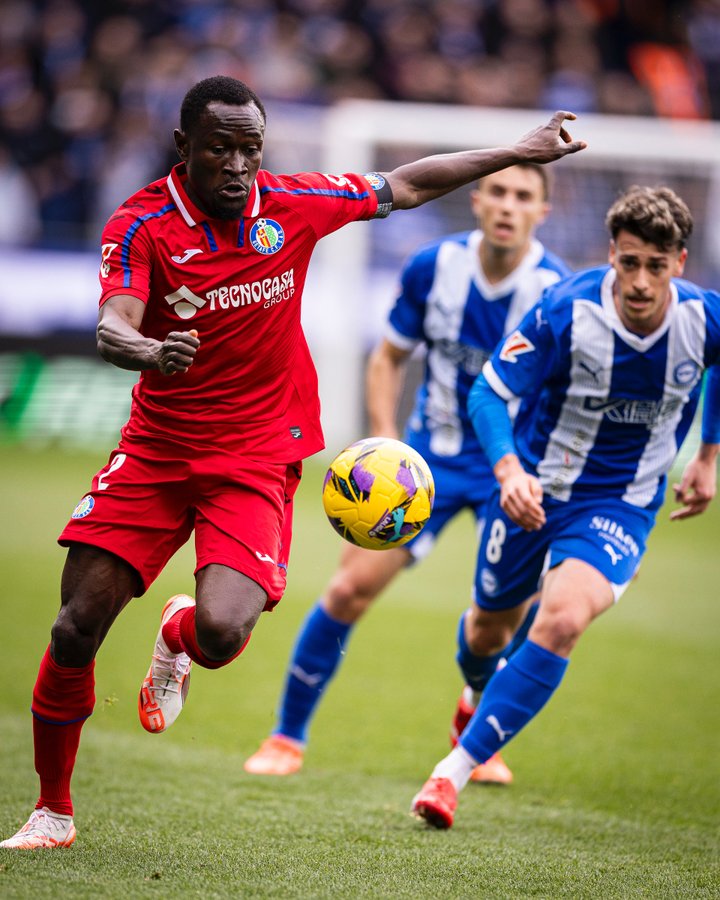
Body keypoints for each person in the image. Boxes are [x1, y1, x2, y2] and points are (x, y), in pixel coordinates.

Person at [0, 74, 586, 850]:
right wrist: (150, 351)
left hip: (254, 457)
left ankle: (179, 634)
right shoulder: (141, 224)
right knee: (76, 628)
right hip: (156, 451)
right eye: (221, 150)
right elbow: (113, 326)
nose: (239, 166)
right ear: (185, 148)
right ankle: (53, 812)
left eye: (251, 149)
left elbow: (405, 184)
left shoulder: (291, 205)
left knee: (221, 635)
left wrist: (518, 148)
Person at [243, 163, 571, 784]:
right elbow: (388, 357)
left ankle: (476, 724)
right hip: (430, 462)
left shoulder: (558, 293)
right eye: (497, 191)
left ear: (542, 212)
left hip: (513, 471)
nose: (507, 205)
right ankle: (286, 736)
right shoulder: (433, 267)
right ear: (476, 200)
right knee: (346, 590)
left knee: (505, 619)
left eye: (523, 196)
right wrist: (385, 443)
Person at [410, 185, 720, 829]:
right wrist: (509, 470)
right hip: (534, 491)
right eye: (628, 263)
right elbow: (489, 394)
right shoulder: (565, 310)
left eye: (655, 267)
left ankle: (450, 776)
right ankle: (472, 693)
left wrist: (708, 453)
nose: (639, 282)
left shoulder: (704, 318)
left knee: (563, 616)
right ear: (612, 254)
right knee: (487, 631)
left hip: (621, 502)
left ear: (680, 264)